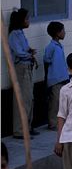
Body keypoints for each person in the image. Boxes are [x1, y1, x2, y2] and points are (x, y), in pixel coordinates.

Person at [8, 8, 38, 139]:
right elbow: (19, 52)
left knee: (30, 98)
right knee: (23, 99)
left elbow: (23, 49)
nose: (28, 21)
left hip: (27, 67)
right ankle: (20, 130)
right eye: (26, 19)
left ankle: (28, 126)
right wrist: (28, 54)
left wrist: (30, 51)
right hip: (21, 68)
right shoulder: (14, 34)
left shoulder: (20, 33)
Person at [43, 21, 69, 131]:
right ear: (57, 33)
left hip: (62, 77)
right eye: (63, 30)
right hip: (55, 79)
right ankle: (52, 123)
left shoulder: (59, 46)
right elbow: (46, 60)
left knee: (62, 102)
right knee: (54, 102)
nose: (64, 32)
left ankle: (61, 121)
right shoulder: (51, 47)